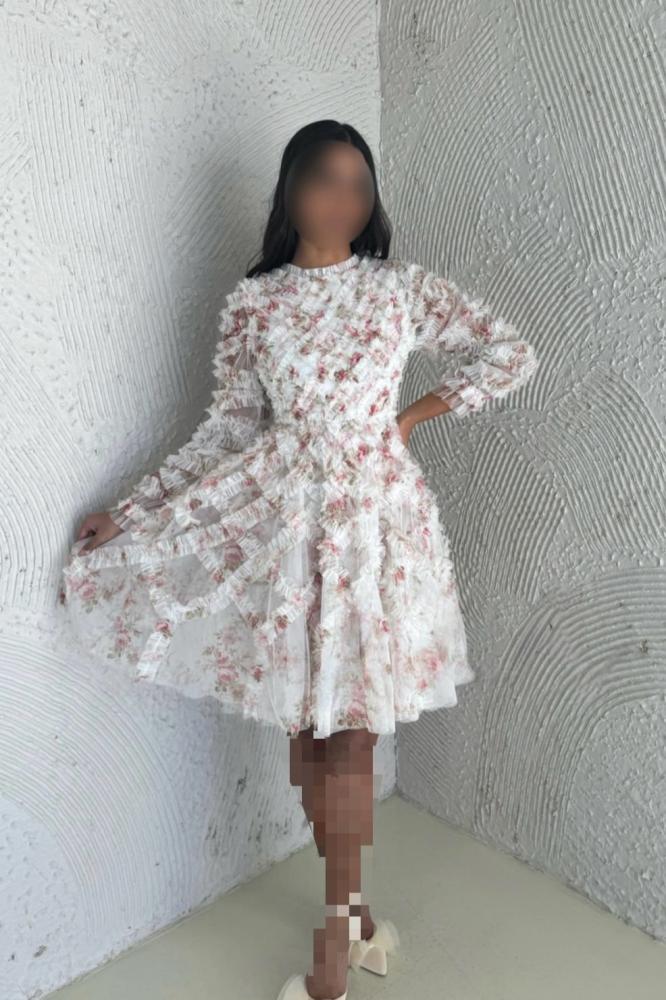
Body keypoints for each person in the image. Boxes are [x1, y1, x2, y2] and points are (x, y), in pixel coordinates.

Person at [59, 119, 539, 1000]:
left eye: (360, 182)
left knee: (350, 735)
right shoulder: (257, 303)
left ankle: (333, 946)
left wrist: (409, 417)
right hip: (285, 534)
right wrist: (130, 511)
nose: (344, 198)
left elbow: (510, 353)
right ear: (291, 189)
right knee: (308, 740)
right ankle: (358, 918)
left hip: (376, 530)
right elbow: (227, 431)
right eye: (325, 178)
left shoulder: (399, 288)